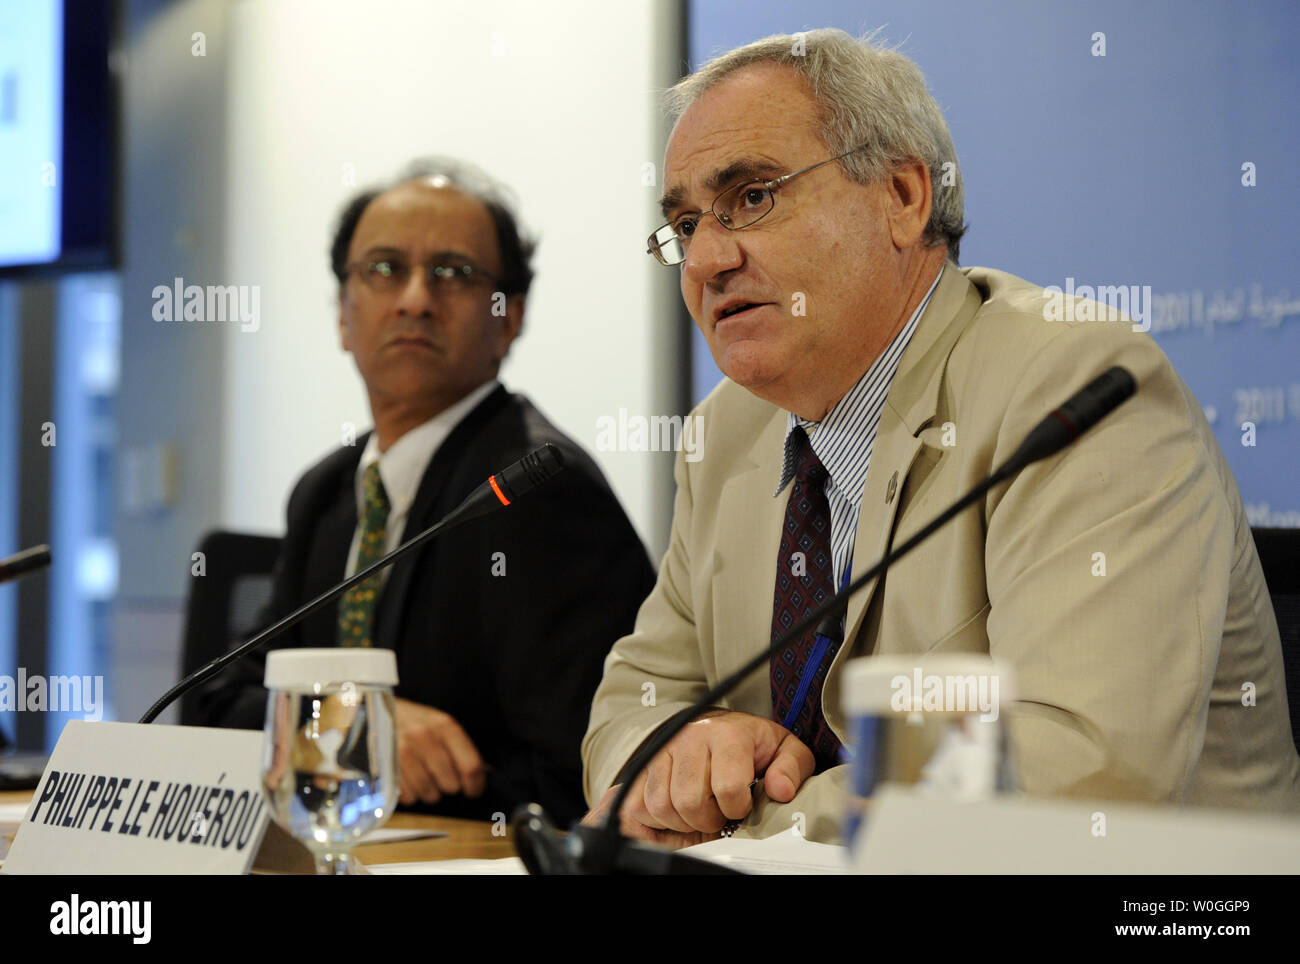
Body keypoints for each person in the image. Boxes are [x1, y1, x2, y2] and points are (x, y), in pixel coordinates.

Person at [581, 29, 1300, 847]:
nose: (707, 257)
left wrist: (742, 822)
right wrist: (673, 757)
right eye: (683, 223)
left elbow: (1083, 773)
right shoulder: (725, 433)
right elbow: (632, 700)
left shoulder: (1071, 388)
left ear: (902, 196)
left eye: (752, 197)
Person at [196, 158, 656, 826]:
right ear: (343, 314)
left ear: (509, 317)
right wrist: (357, 723)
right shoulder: (327, 493)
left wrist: (353, 751)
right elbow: (220, 699)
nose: (415, 298)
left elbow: (579, 772)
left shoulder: (535, 490)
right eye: (384, 269)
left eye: (453, 273)